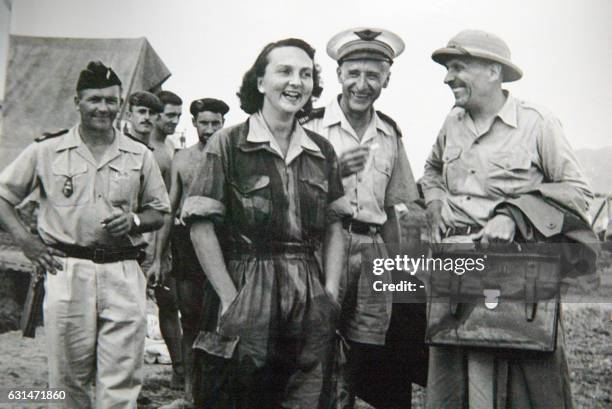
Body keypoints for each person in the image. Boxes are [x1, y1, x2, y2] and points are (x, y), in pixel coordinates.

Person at [421, 29, 596, 409]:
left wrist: (515, 214)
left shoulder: (537, 123)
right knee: (451, 387)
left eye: (458, 67)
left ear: (493, 72)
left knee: (518, 385)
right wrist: (434, 203)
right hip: (454, 271)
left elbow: (578, 193)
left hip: (513, 274)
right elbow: (432, 169)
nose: (447, 77)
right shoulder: (452, 122)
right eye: (448, 68)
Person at [182, 38, 351, 408]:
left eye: (306, 74)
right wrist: (229, 298)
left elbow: (337, 225)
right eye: (285, 71)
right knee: (240, 395)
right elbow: (200, 225)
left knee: (307, 395)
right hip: (247, 283)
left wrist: (331, 291)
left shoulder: (321, 151)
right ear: (259, 82)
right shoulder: (228, 144)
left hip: (308, 288)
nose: (297, 82)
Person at [0, 61, 170, 408]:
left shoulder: (139, 154)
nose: (103, 108)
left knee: (121, 380)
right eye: (94, 99)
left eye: (111, 101)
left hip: (123, 272)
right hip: (67, 270)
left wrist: (135, 221)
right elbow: (3, 197)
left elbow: (160, 210)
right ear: (77, 101)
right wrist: (26, 241)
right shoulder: (47, 150)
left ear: (120, 104)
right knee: (66, 379)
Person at [301, 27, 423, 408]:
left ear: (387, 78)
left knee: (369, 347)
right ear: (338, 75)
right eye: (353, 73)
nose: (362, 84)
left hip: (373, 250)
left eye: (373, 75)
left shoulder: (390, 134)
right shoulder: (309, 126)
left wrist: (400, 266)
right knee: (316, 340)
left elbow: (393, 208)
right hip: (322, 246)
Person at [158, 97, 230, 409]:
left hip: (222, 243)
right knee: (190, 317)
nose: (210, 129)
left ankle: (215, 389)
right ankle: (188, 388)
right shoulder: (182, 159)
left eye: (216, 123)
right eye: (204, 123)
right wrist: (160, 256)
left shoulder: (231, 157)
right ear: (195, 123)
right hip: (185, 243)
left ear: (223, 124)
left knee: (221, 319)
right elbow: (169, 208)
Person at [146, 90, 185, 389]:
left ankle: (179, 368)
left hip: (163, 234)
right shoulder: (142, 146)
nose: (174, 121)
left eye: (178, 116)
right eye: (169, 115)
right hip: (138, 234)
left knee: (168, 302)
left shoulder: (171, 147)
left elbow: (168, 204)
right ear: (155, 114)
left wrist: (163, 251)